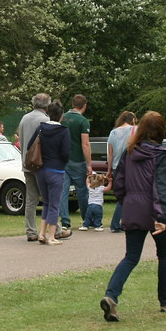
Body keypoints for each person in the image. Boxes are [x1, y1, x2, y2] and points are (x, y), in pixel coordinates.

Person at [100, 111, 166, 322]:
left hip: (133, 207)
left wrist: (125, 202)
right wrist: (161, 217)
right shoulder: (162, 156)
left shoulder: (130, 153)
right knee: (165, 255)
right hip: (155, 210)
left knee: (131, 257)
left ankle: (111, 296)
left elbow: (119, 182)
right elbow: (161, 189)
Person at [18, 94, 67, 241]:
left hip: (28, 163)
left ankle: (31, 231)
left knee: (31, 200)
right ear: (47, 105)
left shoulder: (24, 118)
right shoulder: (45, 121)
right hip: (43, 165)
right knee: (50, 200)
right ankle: (56, 229)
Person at [30, 100, 71, 245]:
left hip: (41, 170)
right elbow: (66, 153)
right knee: (55, 204)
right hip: (56, 170)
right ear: (61, 115)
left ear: (48, 113)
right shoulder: (64, 131)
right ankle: (52, 236)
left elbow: (30, 145)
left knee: (46, 203)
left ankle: (41, 233)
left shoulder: (41, 128)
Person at [59, 95, 92, 230]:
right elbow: (85, 143)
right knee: (82, 191)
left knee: (63, 191)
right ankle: (86, 219)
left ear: (73, 104)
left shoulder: (62, 118)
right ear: (84, 105)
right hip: (77, 160)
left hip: (63, 159)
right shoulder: (83, 121)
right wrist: (89, 164)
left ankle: (65, 221)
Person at [106, 111, 137, 232]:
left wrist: (109, 170)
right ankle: (118, 223)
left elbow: (110, 153)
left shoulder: (113, 132)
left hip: (116, 167)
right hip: (130, 166)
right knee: (129, 195)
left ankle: (120, 223)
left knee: (121, 194)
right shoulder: (135, 130)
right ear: (132, 120)